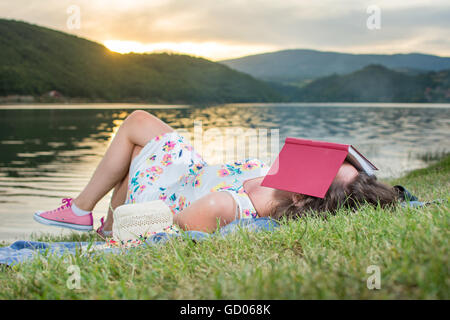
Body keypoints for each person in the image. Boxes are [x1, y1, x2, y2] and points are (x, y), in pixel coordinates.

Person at [34, 110, 398, 236]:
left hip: (169, 195)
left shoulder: (226, 206)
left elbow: (168, 225)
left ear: (303, 196)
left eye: (322, 168)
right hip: (194, 173)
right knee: (140, 128)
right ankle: (88, 215)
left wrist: (124, 230)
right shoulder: (284, 186)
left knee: (136, 139)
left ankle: (85, 213)